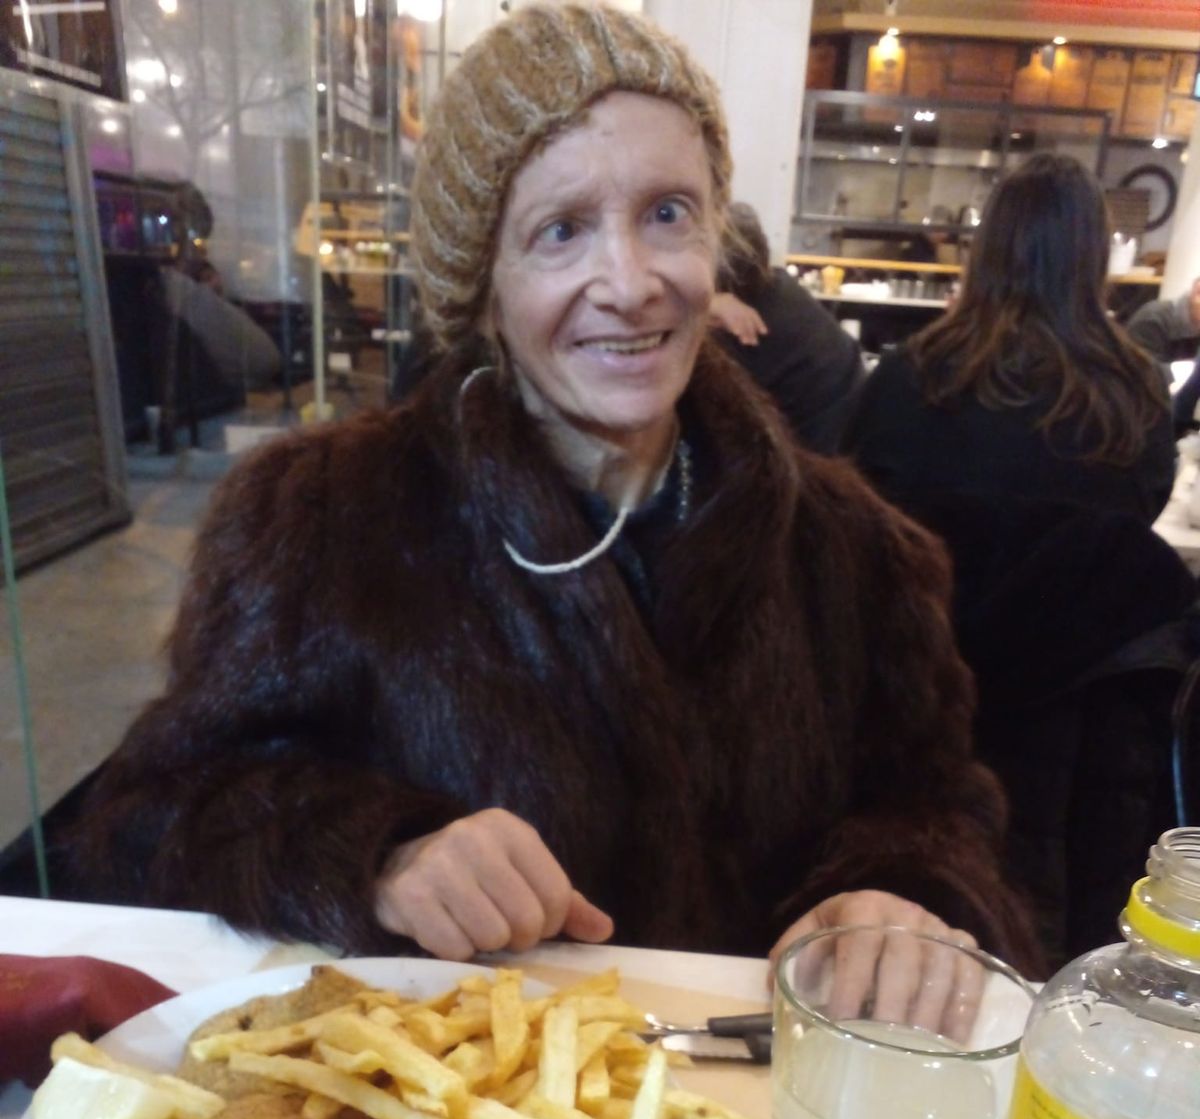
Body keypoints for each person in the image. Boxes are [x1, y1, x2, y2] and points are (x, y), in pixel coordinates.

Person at [63, 3, 1037, 982]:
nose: (630, 280)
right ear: (483, 283)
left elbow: (939, 800)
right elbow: (161, 812)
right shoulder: (319, 522)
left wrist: (905, 893)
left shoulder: (855, 550)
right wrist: (383, 852)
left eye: (667, 213)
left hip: (760, 1104)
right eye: (561, 230)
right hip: (474, 1108)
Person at [843, 153, 1193, 962]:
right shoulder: (1135, 399)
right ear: (1089, 253)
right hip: (1081, 760)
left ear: (987, 246)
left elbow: (855, 528)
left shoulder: (904, 383)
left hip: (912, 709)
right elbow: (1131, 543)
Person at [844, 154, 1177, 529]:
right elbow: (1142, 519)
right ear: (1096, 256)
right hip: (1078, 587)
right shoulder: (1138, 390)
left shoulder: (910, 374)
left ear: (986, 246)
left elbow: (858, 506)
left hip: (931, 585)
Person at [707, 201, 865, 456]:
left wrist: (701, 307)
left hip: (811, 476)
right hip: (841, 465)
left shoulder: (743, 330)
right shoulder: (779, 288)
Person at [1126, 277, 1200, 438]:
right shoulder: (1154, 319)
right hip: (1136, 427)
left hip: (1170, 423)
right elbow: (1138, 381)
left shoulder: (1194, 327)